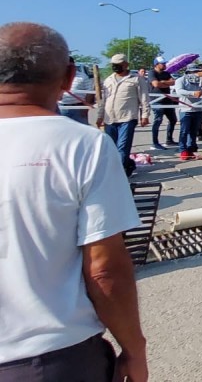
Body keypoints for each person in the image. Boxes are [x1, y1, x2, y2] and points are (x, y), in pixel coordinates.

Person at [0, 22, 147, 381]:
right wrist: (134, 349)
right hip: (50, 357)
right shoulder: (83, 146)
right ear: (68, 77)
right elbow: (104, 269)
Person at [96, 53, 151, 178]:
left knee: (122, 148)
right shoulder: (108, 80)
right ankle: (129, 164)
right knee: (111, 148)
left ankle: (116, 176)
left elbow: (144, 98)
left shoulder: (136, 79)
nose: (116, 67)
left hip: (127, 117)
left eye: (118, 65)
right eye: (114, 65)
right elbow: (103, 100)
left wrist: (145, 115)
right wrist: (100, 116)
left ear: (126, 65)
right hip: (109, 118)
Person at [174, 64, 202, 161]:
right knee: (184, 131)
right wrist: (193, 93)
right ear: (189, 72)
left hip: (197, 109)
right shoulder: (180, 80)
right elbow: (179, 91)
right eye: (195, 72)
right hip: (185, 109)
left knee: (194, 131)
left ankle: (190, 149)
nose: (197, 74)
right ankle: (183, 150)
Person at [148, 55, 177, 150]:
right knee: (158, 120)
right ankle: (155, 142)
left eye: (165, 63)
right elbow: (155, 84)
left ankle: (169, 140)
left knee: (173, 120)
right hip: (157, 101)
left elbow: (173, 82)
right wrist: (165, 83)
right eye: (162, 63)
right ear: (156, 64)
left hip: (167, 100)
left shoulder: (166, 73)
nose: (165, 65)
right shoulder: (152, 73)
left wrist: (163, 82)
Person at [58, 57, 94, 125]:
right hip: (62, 108)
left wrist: (85, 108)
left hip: (78, 109)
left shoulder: (83, 77)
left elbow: (89, 92)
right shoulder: (58, 76)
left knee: (82, 130)